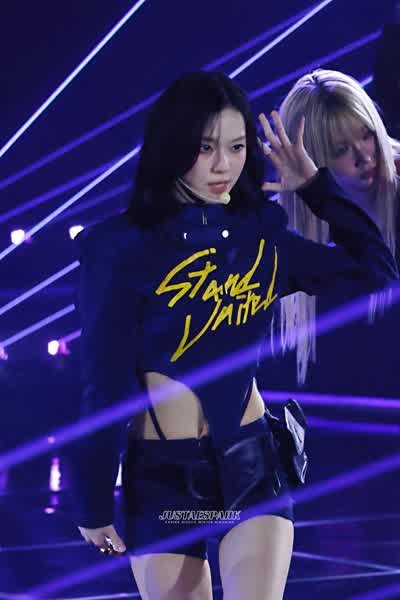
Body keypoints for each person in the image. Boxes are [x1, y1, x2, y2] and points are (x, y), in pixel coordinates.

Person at [70, 71, 397, 600]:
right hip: (165, 483)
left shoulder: (260, 235)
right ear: (172, 146)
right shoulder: (119, 248)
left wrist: (315, 187)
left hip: (252, 466)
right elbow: (103, 383)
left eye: (237, 147)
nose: (223, 164)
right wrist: (91, 500)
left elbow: (376, 272)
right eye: (205, 147)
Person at [277, 66, 400, 384]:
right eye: (341, 150)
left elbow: (383, 285)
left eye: (367, 135)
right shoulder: (288, 228)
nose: (364, 156)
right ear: (309, 160)